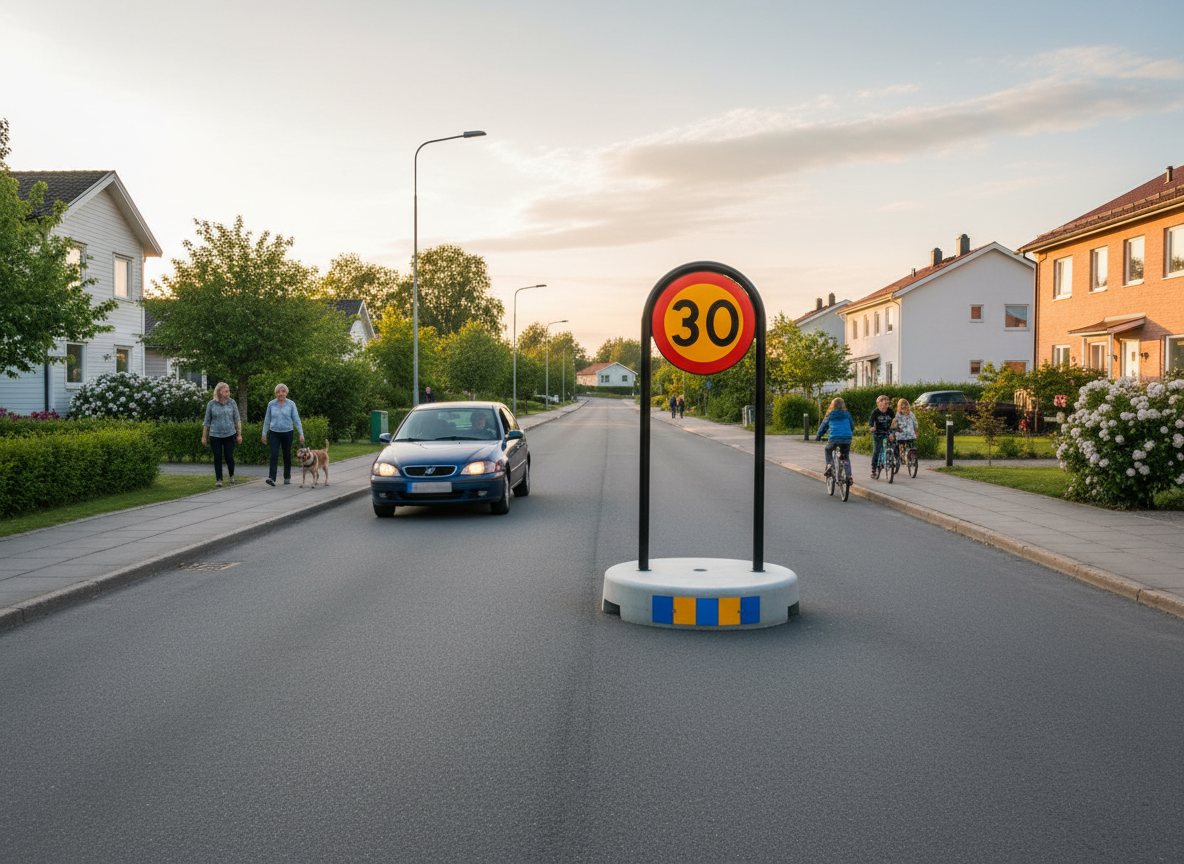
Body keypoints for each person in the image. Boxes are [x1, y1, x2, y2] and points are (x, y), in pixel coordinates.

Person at [261, 383, 305, 486]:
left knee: (286, 455)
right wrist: (264, 434)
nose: (280, 394)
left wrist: (301, 434)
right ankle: (271, 477)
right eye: (278, 392)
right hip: (274, 432)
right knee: (274, 454)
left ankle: (287, 477)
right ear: (275, 394)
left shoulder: (291, 404)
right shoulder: (271, 404)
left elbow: (296, 419)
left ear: (286, 393)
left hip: (287, 432)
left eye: (283, 392)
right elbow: (267, 420)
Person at [202, 382, 242, 488]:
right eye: (226, 390)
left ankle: (232, 475)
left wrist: (239, 435)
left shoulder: (232, 403)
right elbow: (206, 422)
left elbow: (237, 420)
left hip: (230, 433)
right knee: (217, 457)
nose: (228, 392)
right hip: (215, 435)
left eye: (228, 390)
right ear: (219, 392)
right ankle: (219, 479)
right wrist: (204, 437)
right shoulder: (211, 404)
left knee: (229, 456)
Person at [815, 397, 854, 477]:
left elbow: (823, 428)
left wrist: (818, 436)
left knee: (828, 449)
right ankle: (849, 476)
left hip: (834, 438)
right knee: (845, 456)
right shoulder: (847, 415)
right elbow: (852, 427)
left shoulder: (830, 415)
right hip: (847, 438)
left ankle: (829, 465)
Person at [869, 394, 895, 478]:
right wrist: (872, 428)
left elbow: (894, 422)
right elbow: (871, 422)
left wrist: (892, 432)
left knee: (893, 446)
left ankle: (893, 462)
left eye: (887, 403)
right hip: (878, 433)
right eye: (884, 404)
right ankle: (873, 469)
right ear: (879, 404)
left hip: (887, 432)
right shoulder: (875, 412)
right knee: (877, 450)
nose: (886, 406)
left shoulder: (890, 411)